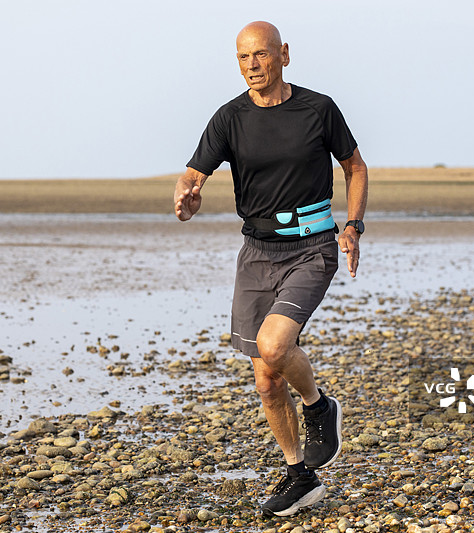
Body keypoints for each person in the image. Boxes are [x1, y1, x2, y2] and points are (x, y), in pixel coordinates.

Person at [173, 21, 368, 517]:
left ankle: (319, 406)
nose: (252, 66)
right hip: (256, 252)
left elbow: (355, 167)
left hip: (313, 245)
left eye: (260, 55)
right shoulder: (229, 117)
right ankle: (299, 475)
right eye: (242, 58)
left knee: (274, 346)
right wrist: (187, 195)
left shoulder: (318, 108)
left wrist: (353, 226)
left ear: (284, 54)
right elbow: (195, 172)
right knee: (265, 379)